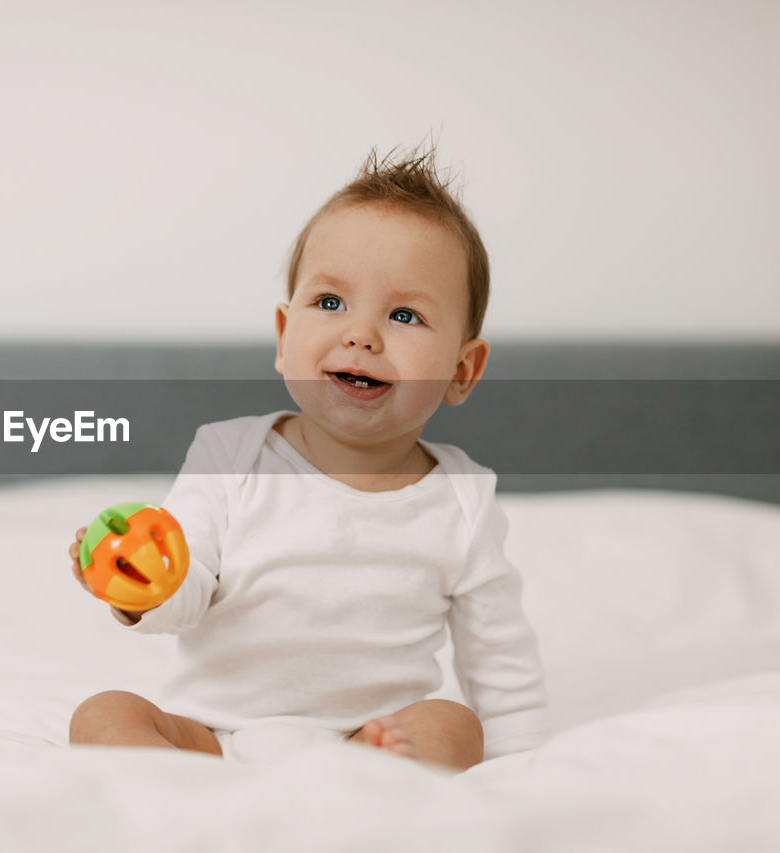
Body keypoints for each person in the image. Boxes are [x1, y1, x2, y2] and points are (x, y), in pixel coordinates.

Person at [66, 142, 550, 772]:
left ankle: (368, 787)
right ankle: (188, 798)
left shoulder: (461, 499)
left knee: (453, 724)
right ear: (283, 334)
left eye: (404, 314)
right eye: (329, 303)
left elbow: (501, 662)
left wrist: (531, 769)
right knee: (103, 713)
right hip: (213, 737)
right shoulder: (229, 454)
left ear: (463, 370)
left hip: (371, 738)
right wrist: (139, 588)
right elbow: (186, 590)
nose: (360, 334)